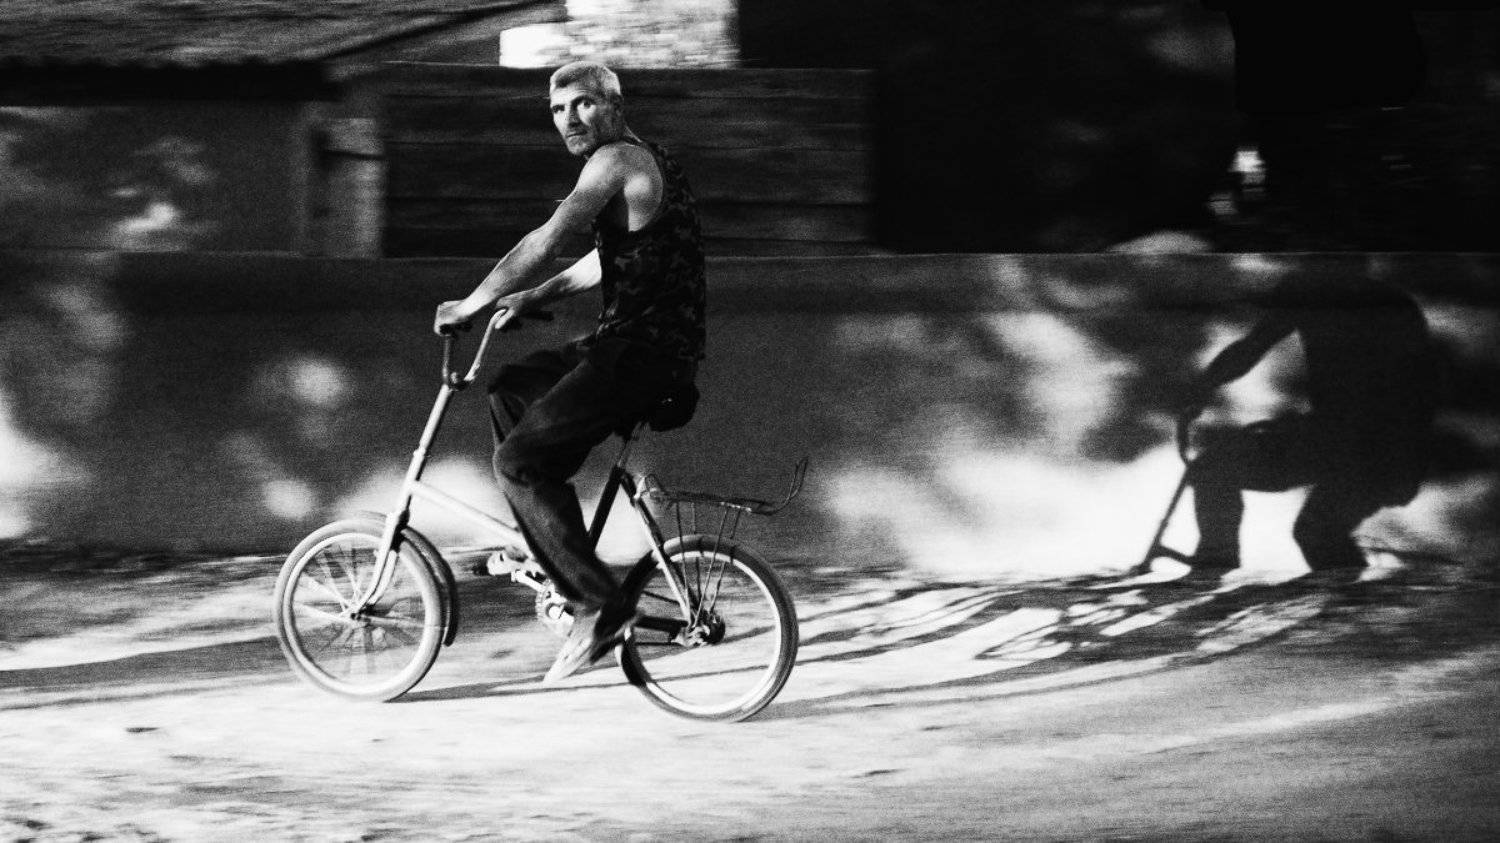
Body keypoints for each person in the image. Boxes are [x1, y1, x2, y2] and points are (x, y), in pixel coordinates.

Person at [433, 61, 706, 682]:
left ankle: (598, 606)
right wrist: (536, 296)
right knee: (511, 390)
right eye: (557, 110)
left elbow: (548, 238)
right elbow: (608, 260)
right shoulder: (650, 162)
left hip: (639, 354)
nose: (569, 119)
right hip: (636, 348)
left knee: (518, 463)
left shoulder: (615, 161)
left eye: (583, 103)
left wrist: (473, 303)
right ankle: (546, 544)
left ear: (615, 105)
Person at [1179, 270, 1441, 579]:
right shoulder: (1322, 294)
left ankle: (1353, 598)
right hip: (1347, 440)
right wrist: (1204, 387)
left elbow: (1410, 392)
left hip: (1380, 448)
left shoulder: (1386, 306)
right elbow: (1252, 347)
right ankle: (1212, 566)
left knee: (1317, 531)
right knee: (1217, 469)